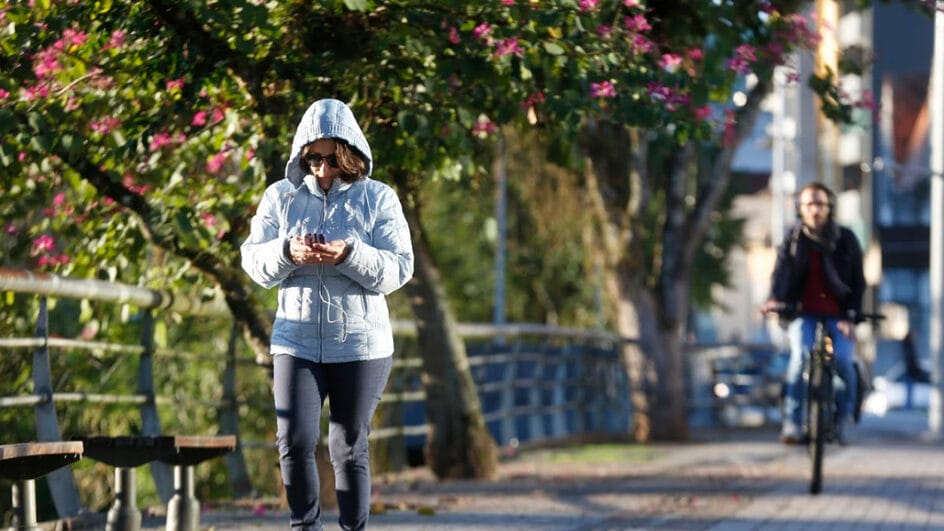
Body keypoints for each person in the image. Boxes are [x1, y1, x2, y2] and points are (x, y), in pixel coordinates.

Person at [241, 98, 414, 530]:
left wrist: (348, 255)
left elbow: (399, 268)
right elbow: (253, 261)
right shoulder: (280, 198)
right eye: (312, 158)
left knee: (347, 444)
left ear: (348, 154)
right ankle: (306, 527)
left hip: (361, 344)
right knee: (293, 440)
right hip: (295, 341)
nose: (320, 168)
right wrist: (287, 251)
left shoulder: (379, 199)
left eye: (329, 159)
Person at [761, 181, 865, 445]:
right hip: (803, 313)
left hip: (839, 315)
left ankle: (845, 419)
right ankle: (792, 423)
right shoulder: (793, 239)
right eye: (809, 204)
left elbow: (857, 281)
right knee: (800, 358)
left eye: (820, 203)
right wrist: (775, 299)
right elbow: (781, 272)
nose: (815, 209)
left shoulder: (846, 239)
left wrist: (851, 315)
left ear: (830, 207)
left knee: (843, 360)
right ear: (800, 209)